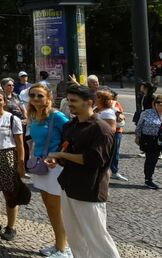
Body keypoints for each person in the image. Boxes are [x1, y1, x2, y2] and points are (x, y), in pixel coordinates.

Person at [50, 84, 119, 258]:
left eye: (74, 101)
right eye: (69, 100)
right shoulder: (70, 125)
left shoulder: (101, 129)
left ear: (89, 102)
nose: (70, 104)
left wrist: (60, 154)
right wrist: (56, 159)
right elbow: (66, 151)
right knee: (74, 237)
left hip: (89, 190)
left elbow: (93, 159)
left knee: (97, 239)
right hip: (69, 187)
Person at [26, 83, 71, 258]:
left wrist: (59, 155)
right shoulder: (34, 115)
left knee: (55, 207)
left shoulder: (57, 116)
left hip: (55, 167)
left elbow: (72, 136)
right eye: (33, 95)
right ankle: (58, 243)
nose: (36, 99)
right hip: (41, 165)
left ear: (48, 97)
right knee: (49, 207)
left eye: (39, 95)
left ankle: (63, 248)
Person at [0, 88, 25, 242]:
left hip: (7, 155)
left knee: (10, 193)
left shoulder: (11, 119)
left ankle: (11, 226)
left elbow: (20, 144)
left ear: (4, 101)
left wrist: (20, 163)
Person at [136, 93, 162, 189]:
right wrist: (137, 137)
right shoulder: (147, 112)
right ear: (154, 104)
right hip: (150, 140)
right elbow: (139, 126)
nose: (160, 106)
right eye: (158, 103)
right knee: (151, 160)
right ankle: (148, 180)